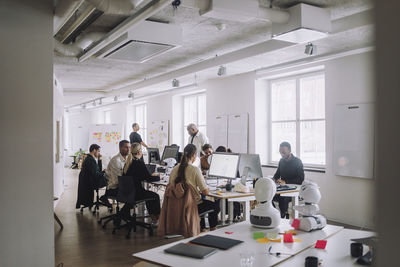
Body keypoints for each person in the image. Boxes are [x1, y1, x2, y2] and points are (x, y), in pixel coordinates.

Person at [169, 144, 220, 231]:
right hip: (192, 205)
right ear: (194, 155)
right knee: (215, 206)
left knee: (201, 201)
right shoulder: (195, 169)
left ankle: (202, 228)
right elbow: (206, 192)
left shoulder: (174, 169)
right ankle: (212, 230)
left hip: (178, 205)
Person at [121, 143, 161, 225]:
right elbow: (148, 178)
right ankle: (157, 218)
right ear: (139, 152)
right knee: (155, 196)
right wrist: (159, 177)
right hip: (136, 194)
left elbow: (139, 176)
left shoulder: (128, 163)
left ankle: (154, 218)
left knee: (149, 194)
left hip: (127, 193)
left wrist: (148, 175)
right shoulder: (139, 163)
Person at [273, 141, 305, 218]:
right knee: (267, 195)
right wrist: (273, 179)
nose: (282, 154)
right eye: (280, 152)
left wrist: (286, 181)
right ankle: (275, 215)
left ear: (290, 150)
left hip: (292, 190)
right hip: (283, 188)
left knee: (283, 198)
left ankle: (283, 216)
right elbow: (277, 175)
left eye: (283, 152)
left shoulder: (297, 161)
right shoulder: (281, 161)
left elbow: (300, 179)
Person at [99, 140, 130, 206]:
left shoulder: (127, 159)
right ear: (120, 148)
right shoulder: (116, 161)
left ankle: (127, 212)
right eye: (126, 147)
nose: (128, 149)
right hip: (114, 188)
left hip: (121, 185)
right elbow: (118, 180)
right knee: (133, 192)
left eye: (129, 147)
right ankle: (125, 213)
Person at [76, 144, 105, 209]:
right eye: (98, 151)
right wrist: (104, 172)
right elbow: (96, 174)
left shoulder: (89, 158)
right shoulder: (90, 160)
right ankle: (105, 198)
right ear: (94, 150)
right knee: (108, 181)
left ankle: (104, 198)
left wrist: (99, 160)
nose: (99, 153)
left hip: (89, 181)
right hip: (90, 183)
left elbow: (97, 171)